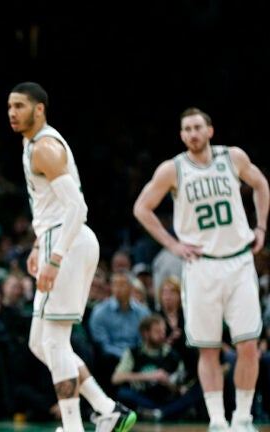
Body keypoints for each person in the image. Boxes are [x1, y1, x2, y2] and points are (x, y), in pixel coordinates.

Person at [8, 81, 136, 432]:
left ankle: (74, 427)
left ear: (39, 109)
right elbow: (50, 205)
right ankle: (107, 408)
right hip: (59, 237)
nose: (12, 113)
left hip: (68, 240)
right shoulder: (33, 143)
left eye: (19, 106)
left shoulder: (44, 147)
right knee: (40, 343)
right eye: (9, 107)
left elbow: (77, 207)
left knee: (54, 341)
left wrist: (55, 257)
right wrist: (38, 245)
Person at [133, 107, 269, 431]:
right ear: (182, 136)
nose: (192, 134)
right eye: (186, 130)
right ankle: (218, 421)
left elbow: (262, 184)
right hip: (200, 266)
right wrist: (172, 244)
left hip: (238, 261)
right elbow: (142, 208)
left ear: (210, 130)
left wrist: (261, 227)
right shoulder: (173, 169)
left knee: (248, 344)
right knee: (207, 349)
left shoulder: (232, 158)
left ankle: (243, 417)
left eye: (197, 127)